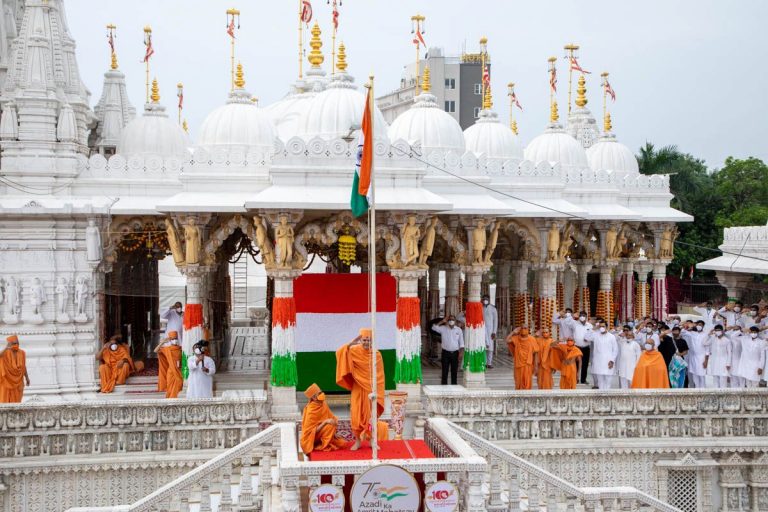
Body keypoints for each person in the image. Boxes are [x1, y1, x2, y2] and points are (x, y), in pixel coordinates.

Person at [335, 328, 385, 451]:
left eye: (368, 340)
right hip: (358, 388)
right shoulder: (354, 350)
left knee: (370, 416)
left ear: (372, 341)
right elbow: (339, 352)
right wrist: (352, 342)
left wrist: (377, 391)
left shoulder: (376, 354)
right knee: (356, 415)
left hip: (370, 390)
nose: (366, 342)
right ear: (360, 340)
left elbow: (379, 375)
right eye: (364, 340)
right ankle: (357, 441)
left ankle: (372, 441)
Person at [300, 383, 348, 455]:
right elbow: (311, 432)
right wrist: (325, 422)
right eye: (319, 393)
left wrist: (334, 433)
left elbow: (332, 418)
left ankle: (326, 441)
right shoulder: (311, 410)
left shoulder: (323, 404)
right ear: (313, 397)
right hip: (311, 439)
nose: (322, 394)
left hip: (322, 434)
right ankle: (322, 446)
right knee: (329, 425)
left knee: (342, 444)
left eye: (321, 392)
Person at [557, 311, 593, 384]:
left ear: (586, 317)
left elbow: (592, 335)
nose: (582, 317)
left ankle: (583, 379)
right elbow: (566, 322)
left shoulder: (590, 325)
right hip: (576, 347)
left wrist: (589, 339)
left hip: (586, 347)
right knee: (575, 363)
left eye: (583, 315)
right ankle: (575, 378)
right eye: (581, 315)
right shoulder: (575, 323)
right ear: (579, 317)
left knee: (585, 364)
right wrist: (572, 316)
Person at [431, 314, 464, 385]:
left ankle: (454, 386)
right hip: (445, 353)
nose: (451, 321)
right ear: (448, 321)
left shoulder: (458, 330)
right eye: (450, 320)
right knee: (444, 372)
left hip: (455, 353)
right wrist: (442, 321)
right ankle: (444, 387)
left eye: (453, 320)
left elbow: (461, 344)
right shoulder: (443, 328)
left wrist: (461, 354)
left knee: (454, 372)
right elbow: (433, 327)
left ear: (455, 321)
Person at [585, 320, 618, 390]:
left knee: (608, 383)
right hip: (598, 363)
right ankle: (602, 399)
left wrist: (612, 361)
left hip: (608, 362)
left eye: (603, 326)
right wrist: (593, 329)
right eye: (600, 326)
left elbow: (615, 350)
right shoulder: (596, 335)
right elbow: (586, 337)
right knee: (600, 383)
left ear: (607, 327)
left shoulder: (611, 337)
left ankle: (607, 399)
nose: (601, 328)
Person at [506, 326, 539, 390]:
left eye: (525, 328)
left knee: (527, 381)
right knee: (518, 380)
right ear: (520, 330)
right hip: (518, 364)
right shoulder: (516, 338)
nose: (524, 330)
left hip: (528, 364)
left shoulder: (532, 339)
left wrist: (536, 366)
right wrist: (513, 332)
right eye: (522, 328)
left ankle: (527, 396)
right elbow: (507, 340)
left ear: (528, 330)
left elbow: (536, 353)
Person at [680, 320, 711, 388]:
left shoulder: (706, 334)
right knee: (694, 375)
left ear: (703, 326)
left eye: (701, 325)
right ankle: (697, 391)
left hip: (702, 357)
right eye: (698, 324)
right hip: (693, 357)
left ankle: (703, 392)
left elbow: (707, 349)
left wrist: (706, 361)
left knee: (701, 376)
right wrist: (688, 326)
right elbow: (682, 331)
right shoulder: (692, 333)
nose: (699, 326)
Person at [0, 335, 29, 403]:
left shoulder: (22, 353)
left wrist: (27, 378)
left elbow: (23, 367)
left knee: (17, 400)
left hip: (18, 381)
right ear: (9, 344)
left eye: (17, 343)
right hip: (7, 380)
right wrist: (6, 348)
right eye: (14, 343)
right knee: (4, 399)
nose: (16, 345)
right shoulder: (5, 352)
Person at [155, 331, 183, 399]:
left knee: (179, 385)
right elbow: (155, 350)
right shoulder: (167, 349)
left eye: (176, 338)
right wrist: (163, 342)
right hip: (171, 372)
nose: (175, 340)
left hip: (179, 371)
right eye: (173, 339)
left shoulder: (181, 348)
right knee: (170, 388)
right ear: (170, 340)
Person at [482, 294, 498, 368]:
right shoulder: (480, 307)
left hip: (490, 330)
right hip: (481, 329)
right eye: (484, 299)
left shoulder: (493, 308)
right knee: (483, 347)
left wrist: (494, 332)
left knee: (490, 347)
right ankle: (484, 362)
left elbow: (495, 321)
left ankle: (489, 363)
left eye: (486, 299)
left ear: (489, 300)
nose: (485, 300)